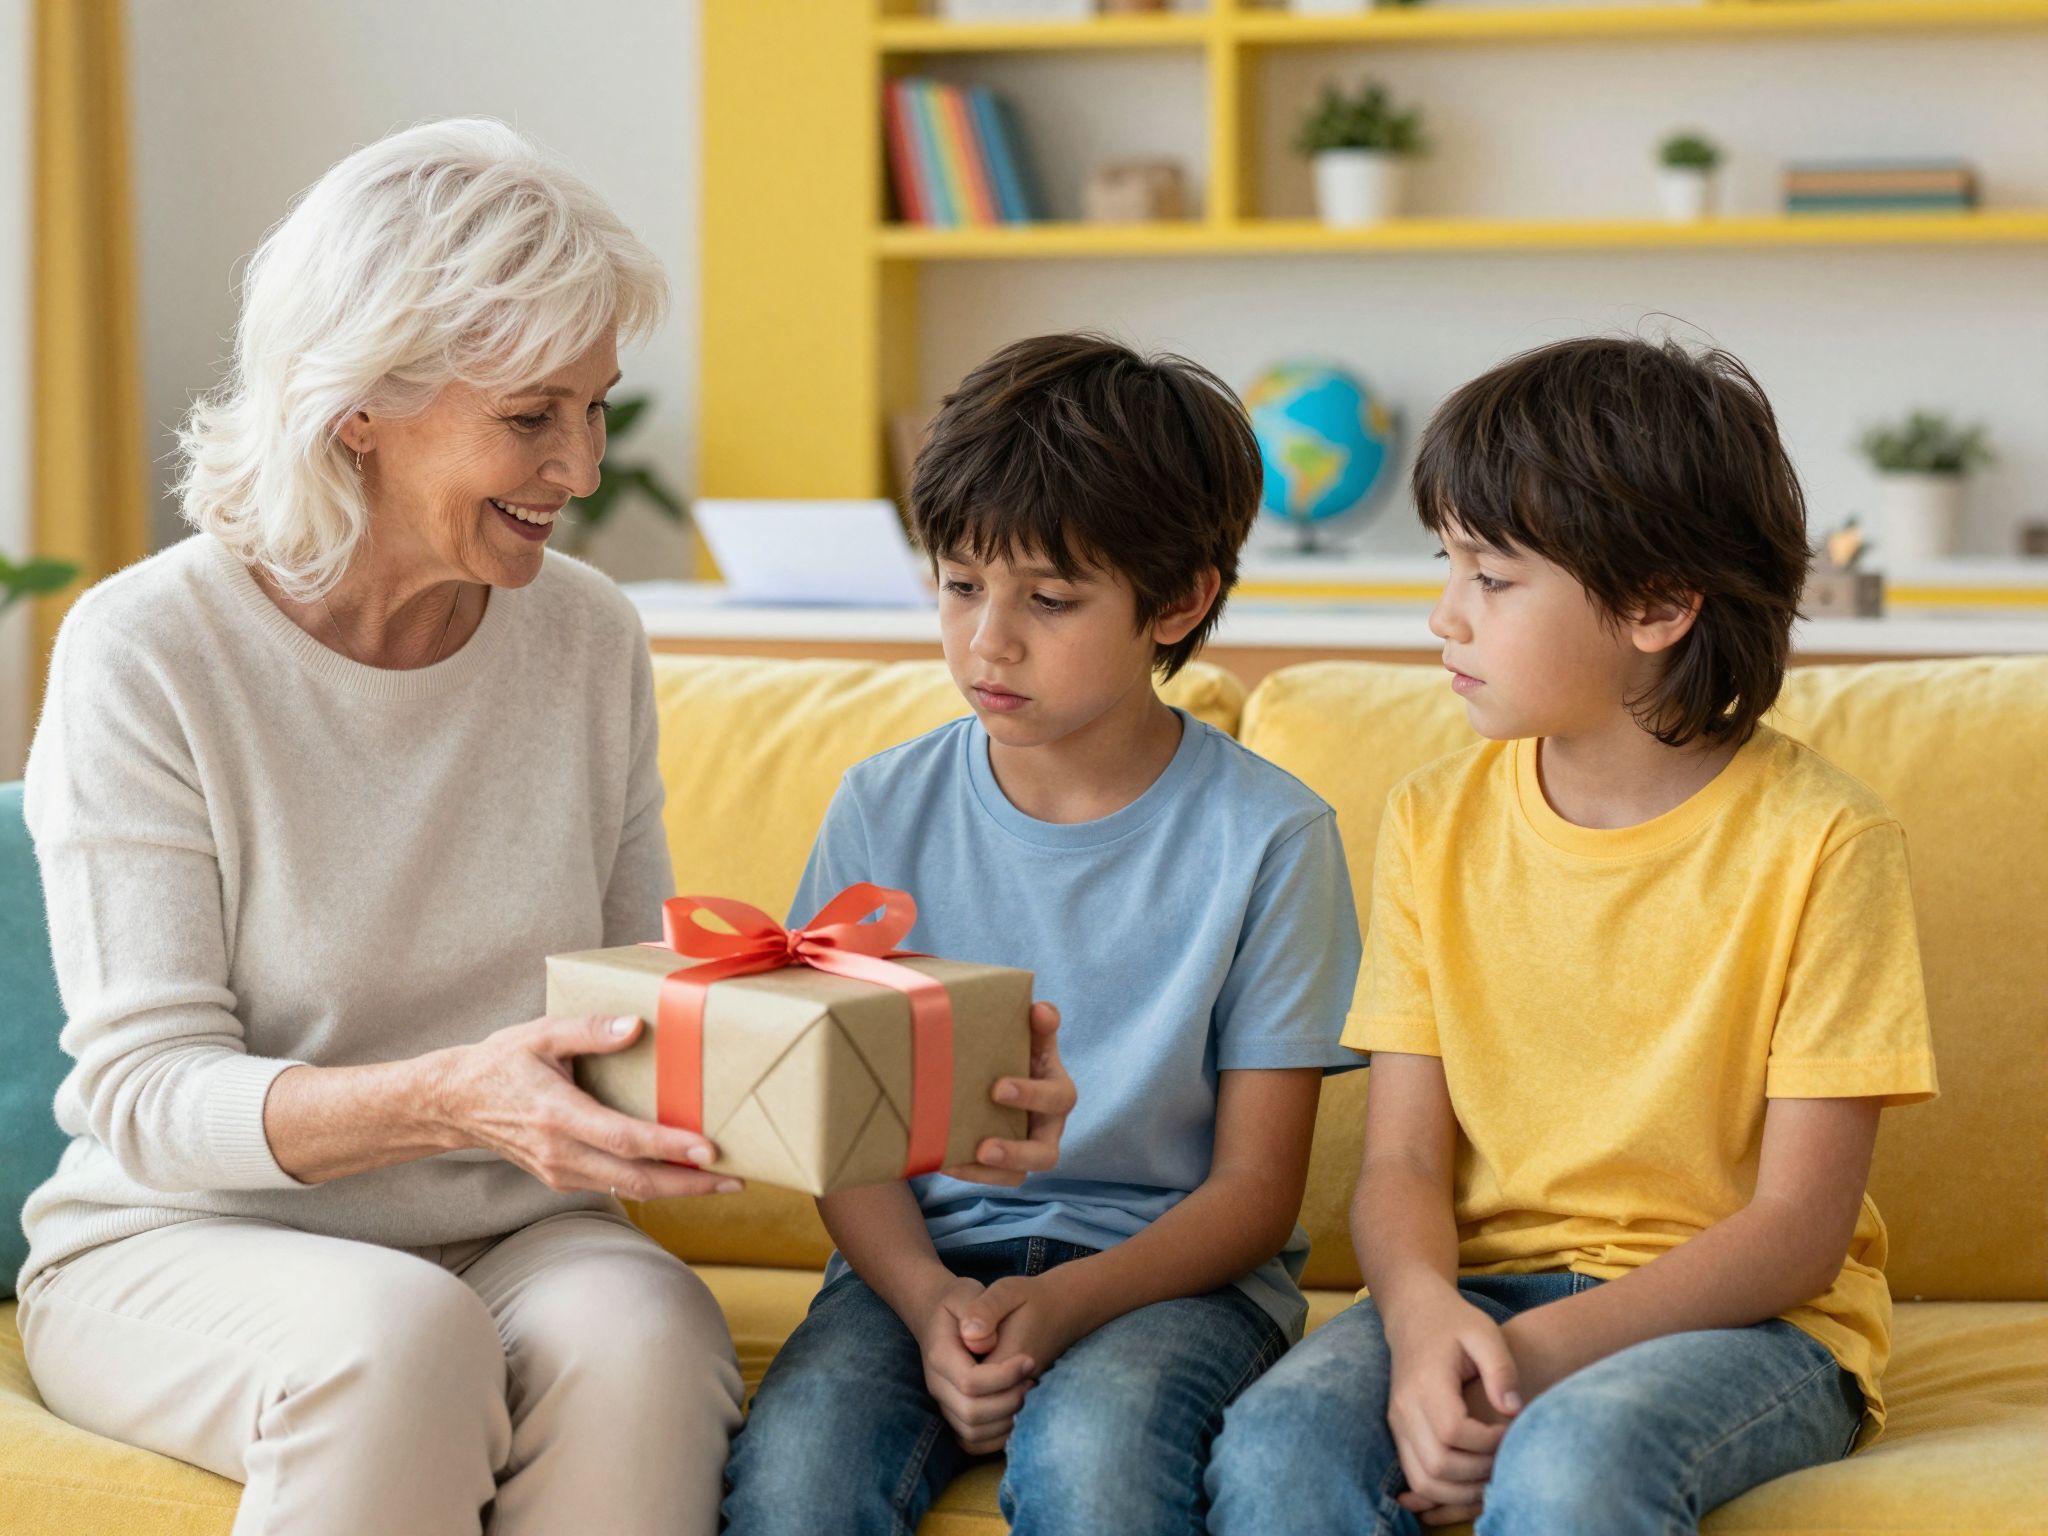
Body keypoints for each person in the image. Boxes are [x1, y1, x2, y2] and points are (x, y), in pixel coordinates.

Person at [14, 118, 1072, 1536]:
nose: (579, 468)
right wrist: (452, 1099)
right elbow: (148, 1097)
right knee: (398, 1343)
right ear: (356, 404)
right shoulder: (149, 649)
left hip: (517, 1230)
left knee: (648, 1342)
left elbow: (635, 1014)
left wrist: (920, 1098)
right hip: (188, 1236)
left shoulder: (583, 633)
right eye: (530, 417)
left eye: (595, 408)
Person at [1206, 335, 1939, 1536]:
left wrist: (1531, 1360)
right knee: (1277, 1450)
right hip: (1475, 1294)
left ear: (1657, 604)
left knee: (1571, 1461)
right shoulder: (1430, 821)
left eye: (1491, 578)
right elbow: (1399, 1165)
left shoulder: (1825, 843)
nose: (1442, 615)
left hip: (1752, 1326)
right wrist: (1423, 1325)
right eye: (1446, 564)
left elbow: (1797, 1234)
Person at [722, 332, 1364, 1536]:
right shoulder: (880, 806)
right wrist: (928, 1302)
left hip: (1173, 1280)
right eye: (960, 585)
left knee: (1096, 1462)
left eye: (1049, 601)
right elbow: (840, 1134)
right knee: (798, 1477)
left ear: (1179, 602)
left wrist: (1064, 1306)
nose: (988, 641)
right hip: (915, 1266)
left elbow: (1254, 1190)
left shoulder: (1271, 838)